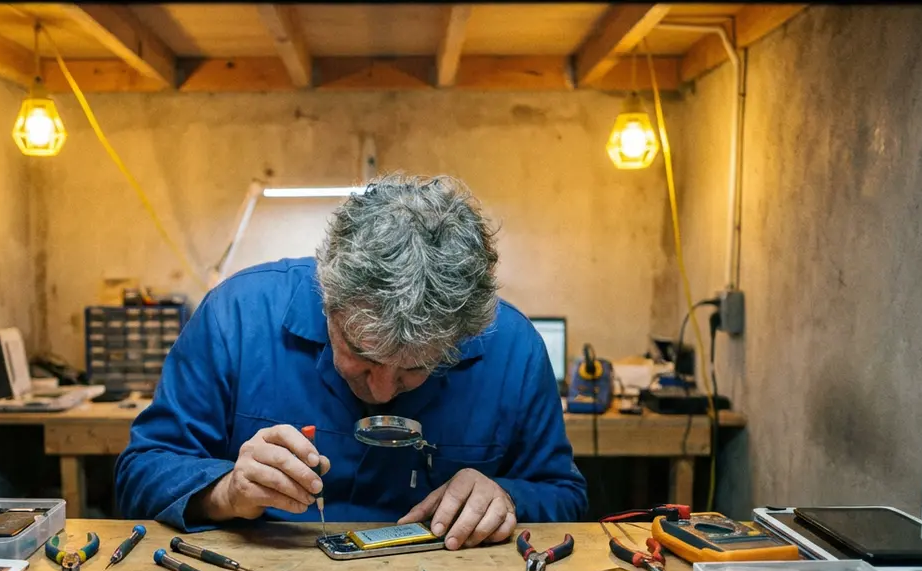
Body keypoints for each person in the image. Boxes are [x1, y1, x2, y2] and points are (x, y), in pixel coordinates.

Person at [115, 174, 587, 549]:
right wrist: (227, 492)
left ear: (462, 336)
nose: (381, 391)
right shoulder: (237, 317)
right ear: (326, 298)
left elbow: (566, 497)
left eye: (415, 369)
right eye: (362, 354)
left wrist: (507, 497)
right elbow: (140, 474)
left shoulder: (513, 348)